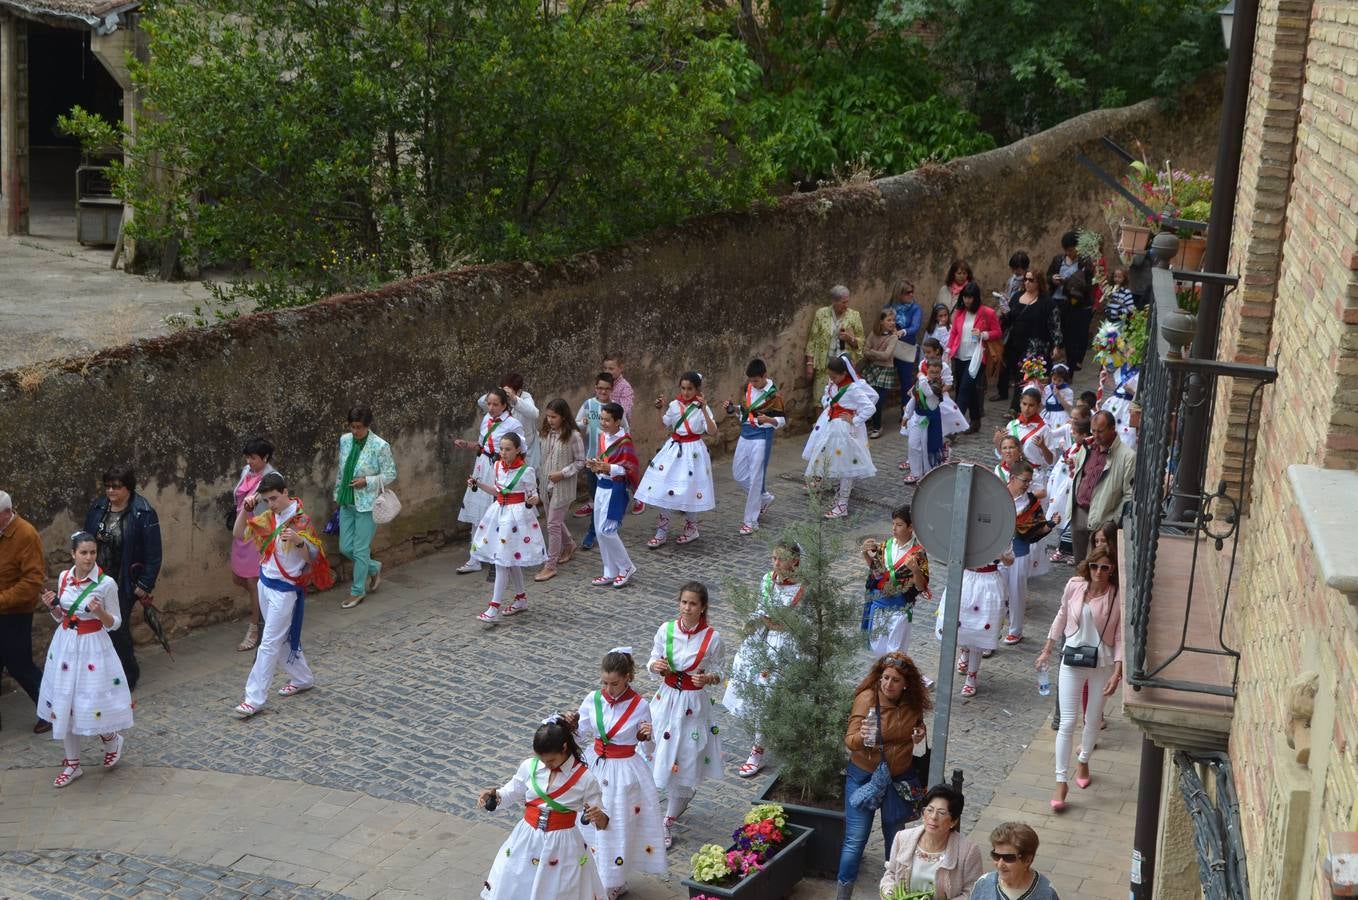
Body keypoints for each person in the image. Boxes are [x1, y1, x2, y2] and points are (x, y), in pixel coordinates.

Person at [561, 649, 665, 899]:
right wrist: (572, 724)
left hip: (624, 771)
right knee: (586, 820)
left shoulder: (640, 706)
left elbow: (649, 747)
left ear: (628, 677)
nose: (609, 689)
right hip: (595, 766)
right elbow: (581, 734)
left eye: (614, 684)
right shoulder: (593, 699)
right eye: (604, 683)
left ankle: (613, 880)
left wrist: (647, 735)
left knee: (616, 824)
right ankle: (587, 872)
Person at [230, 472, 333, 719]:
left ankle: (253, 698)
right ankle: (303, 678)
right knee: (283, 638)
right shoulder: (268, 518)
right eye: (267, 500)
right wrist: (246, 510)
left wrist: (298, 541)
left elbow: (314, 558)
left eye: (275, 498)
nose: (272, 504)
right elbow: (238, 533)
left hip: (286, 591)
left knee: (268, 643)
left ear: (286, 492)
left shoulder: (302, 521)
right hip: (266, 585)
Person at [37, 531, 135, 787]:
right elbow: (62, 616)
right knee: (65, 702)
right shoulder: (64, 577)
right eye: (83, 553)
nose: (89, 558)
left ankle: (111, 738)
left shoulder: (106, 584)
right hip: (66, 646)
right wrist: (52, 607)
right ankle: (72, 765)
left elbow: (116, 624)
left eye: (93, 552)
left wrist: (100, 611)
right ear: (73, 554)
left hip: (93, 647)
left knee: (91, 700)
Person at [477, 720, 609, 900]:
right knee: (517, 881)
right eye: (542, 760)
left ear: (564, 748)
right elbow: (510, 793)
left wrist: (598, 816)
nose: (547, 765)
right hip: (527, 839)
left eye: (551, 760)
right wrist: (494, 796)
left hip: (563, 845)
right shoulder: (529, 766)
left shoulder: (585, 779)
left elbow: (602, 822)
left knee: (558, 891)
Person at [837, 652, 933, 899]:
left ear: (906, 684)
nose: (888, 684)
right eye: (885, 678)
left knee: (897, 841)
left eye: (895, 680)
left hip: (898, 778)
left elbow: (917, 727)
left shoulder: (912, 703)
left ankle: (893, 894)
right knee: (855, 840)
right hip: (864, 776)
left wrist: (918, 735)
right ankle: (842, 895)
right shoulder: (867, 699)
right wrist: (864, 736)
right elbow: (850, 740)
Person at [1035, 546, 1123, 811]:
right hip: (1072, 657)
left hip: (1102, 661)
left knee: (1093, 717)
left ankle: (1084, 759)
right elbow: (1061, 614)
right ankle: (1061, 781)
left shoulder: (1116, 595)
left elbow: (1120, 636)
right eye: (1095, 566)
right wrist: (1048, 648)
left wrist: (1118, 672)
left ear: (1112, 570)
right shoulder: (1075, 585)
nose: (1098, 572)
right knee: (1067, 721)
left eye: (1104, 567)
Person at [647, 581, 726, 849]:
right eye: (683, 602)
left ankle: (667, 819)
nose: (687, 608)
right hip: (666, 699)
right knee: (658, 748)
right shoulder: (666, 630)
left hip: (693, 704)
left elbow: (721, 671)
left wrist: (708, 678)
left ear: (702, 607)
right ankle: (651, 808)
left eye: (692, 604)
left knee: (684, 755)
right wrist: (655, 665)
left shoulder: (712, 638)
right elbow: (652, 658)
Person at [722, 541, 803, 778]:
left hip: (786, 646)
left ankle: (775, 744)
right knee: (757, 693)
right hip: (762, 640)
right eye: (774, 558)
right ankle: (758, 746)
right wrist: (755, 620)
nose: (776, 564)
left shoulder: (802, 588)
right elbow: (761, 608)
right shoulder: (768, 579)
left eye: (782, 559)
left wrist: (775, 623)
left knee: (776, 694)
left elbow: (796, 622)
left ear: (795, 561)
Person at [83, 464, 161, 693]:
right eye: (107, 487)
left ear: (128, 488)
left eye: (116, 487)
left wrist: (144, 585)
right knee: (96, 626)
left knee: (117, 628)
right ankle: (103, 671)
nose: (110, 492)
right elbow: (85, 539)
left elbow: (153, 553)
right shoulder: (99, 508)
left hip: (124, 581)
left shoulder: (143, 512)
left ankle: (128, 673)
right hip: (97, 578)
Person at [469, 433, 546, 623]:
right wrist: (478, 484)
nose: (503, 453)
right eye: (501, 449)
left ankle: (494, 607)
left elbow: (534, 495)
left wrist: (533, 500)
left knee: (502, 561)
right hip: (499, 514)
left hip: (516, 518)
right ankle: (521, 599)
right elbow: (497, 491)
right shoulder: (497, 466)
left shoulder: (526, 471)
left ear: (518, 450)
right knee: (509, 559)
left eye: (508, 449)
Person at [638, 372, 718, 547]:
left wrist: (704, 409)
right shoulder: (674, 405)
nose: (686, 392)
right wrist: (660, 409)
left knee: (690, 489)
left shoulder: (702, 407)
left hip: (694, 451)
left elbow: (712, 431)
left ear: (697, 389)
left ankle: (691, 528)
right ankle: (662, 530)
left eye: (690, 389)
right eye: (683, 388)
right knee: (666, 487)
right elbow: (662, 425)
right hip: (674, 449)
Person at [332, 407, 397, 610]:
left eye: (359, 427)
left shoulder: (380, 446)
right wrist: (338, 495)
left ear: (368, 426)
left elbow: (390, 473)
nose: (355, 431)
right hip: (346, 501)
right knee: (345, 547)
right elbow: (342, 472)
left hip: (367, 504)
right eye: (352, 427)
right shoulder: (345, 440)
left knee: (360, 549)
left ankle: (357, 591)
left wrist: (367, 481)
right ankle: (373, 567)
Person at [454, 389, 525, 575]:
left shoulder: (513, 424)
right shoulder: (486, 419)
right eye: (489, 404)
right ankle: (475, 557)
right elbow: (482, 446)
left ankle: (501, 555)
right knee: (477, 511)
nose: (491, 408)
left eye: (495, 404)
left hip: (501, 468)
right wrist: (467, 445)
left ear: (504, 405)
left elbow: (520, 449)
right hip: (483, 466)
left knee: (500, 511)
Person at [0, 490, 52, 734]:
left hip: (15, 612)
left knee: (20, 665)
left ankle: (51, 712)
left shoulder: (25, 534)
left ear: (7, 513)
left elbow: (32, 581)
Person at [802, 355, 879, 520]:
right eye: (830, 376)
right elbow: (829, 400)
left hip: (844, 432)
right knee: (832, 464)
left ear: (844, 373)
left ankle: (842, 504)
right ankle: (838, 498)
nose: (832, 379)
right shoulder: (834, 385)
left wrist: (855, 420)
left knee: (846, 468)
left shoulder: (853, 388)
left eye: (834, 376)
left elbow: (870, 407)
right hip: (831, 429)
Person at [879, 784, 983, 899]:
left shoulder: (968, 852)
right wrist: (890, 894)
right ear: (923, 814)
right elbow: (891, 874)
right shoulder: (902, 838)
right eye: (929, 810)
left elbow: (974, 892)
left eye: (942, 813)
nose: (933, 817)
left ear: (953, 821)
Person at [936, 546, 1013, 697]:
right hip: (966, 579)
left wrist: (1001, 555)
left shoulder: (1002, 533)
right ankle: (965, 651)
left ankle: (972, 677)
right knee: (962, 625)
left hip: (988, 582)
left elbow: (1010, 561)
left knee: (979, 631)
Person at [724, 358, 786, 535]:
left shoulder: (774, 395)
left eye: (756, 380)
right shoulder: (749, 389)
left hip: (761, 437)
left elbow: (782, 420)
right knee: (738, 474)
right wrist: (731, 409)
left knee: (755, 479)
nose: (752, 384)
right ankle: (764, 498)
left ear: (764, 376)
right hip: (745, 435)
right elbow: (745, 413)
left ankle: (750, 521)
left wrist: (769, 420)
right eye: (750, 380)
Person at [861, 505, 930, 657]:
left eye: (899, 525)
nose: (894, 528)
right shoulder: (886, 546)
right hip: (879, 607)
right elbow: (877, 575)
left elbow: (920, 586)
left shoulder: (918, 553)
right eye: (893, 523)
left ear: (911, 527)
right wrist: (866, 555)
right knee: (877, 651)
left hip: (900, 611)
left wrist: (915, 570)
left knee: (895, 654)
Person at [1067, 411, 1135, 564]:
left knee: (1096, 565)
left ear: (1112, 429)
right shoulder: (1087, 446)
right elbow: (1081, 474)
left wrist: (1111, 522)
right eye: (1093, 430)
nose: (1096, 435)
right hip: (1079, 513)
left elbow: (1129, 495)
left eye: (1100, 431)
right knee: (1080, 565)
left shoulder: (1127, 456)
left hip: (1102, 520)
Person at [1000, 461, 1056, 646]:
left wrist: (1050, 525)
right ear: (1012, 478)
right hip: (996, 553)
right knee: (996, 594)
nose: (1027, 485)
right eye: (1024, 481)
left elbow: (1037, 529)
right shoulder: (997, 495)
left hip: (1019, 552)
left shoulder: (1031, 502)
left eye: (1029, 481)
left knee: (1017, 592)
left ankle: (1015, 631)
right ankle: (991, 632)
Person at [583, 402, 639, 588]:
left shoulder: (625, 441)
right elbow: (603, 460)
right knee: (600, 531)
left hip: (615, 489)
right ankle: (610, 570)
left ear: (618, 421)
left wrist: (611, 468)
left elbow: (630, 468)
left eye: (607, 420)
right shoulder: (602, 437)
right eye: (602, 419)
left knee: (608, 530)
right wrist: (595, 465)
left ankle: (626, 567)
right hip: (601, 486)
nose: (603, 423)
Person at [231, 439, 278, 650]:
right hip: (242, 530)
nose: (250, 462)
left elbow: (272, 506)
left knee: (253, 582)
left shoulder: (272, 478)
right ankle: (266, 611)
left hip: (257, 533)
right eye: (248, 457)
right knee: (238, 577)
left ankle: (255, 627)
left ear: (265, 458)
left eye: (254, 458)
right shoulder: (246, 472)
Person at [536, 399, 585, 582]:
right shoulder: (546, 433)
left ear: (563, 416)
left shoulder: (573, 435)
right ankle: (570, 544)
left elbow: (581, 462)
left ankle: (550, 565)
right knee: (553, 521)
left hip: (562, 487)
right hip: (546, 485)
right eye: (548, 416)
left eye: (553, 417)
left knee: (552, 525)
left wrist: (563, 474)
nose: (549, 420)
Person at [1002, 269, 1063, 412]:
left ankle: (1016, 408)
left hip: (1035, 347)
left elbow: (1055, 325)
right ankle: (1022, 406)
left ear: (1039, 283)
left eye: (1031, 280)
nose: (1027, 283)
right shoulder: (1017, 296)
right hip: (1015, 344)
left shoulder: (1047, 302)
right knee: (1017, 376)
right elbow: (1009, 319)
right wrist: (1005, 313)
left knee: (1026, 376)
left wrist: (1057, 345)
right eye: (1026, 279)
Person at [948, 283, 1001, 433]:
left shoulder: (987, 313)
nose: (967, 300)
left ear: (976, 298)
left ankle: (954, 428)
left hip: (977, 357)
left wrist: (983, 334)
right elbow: (954, 333)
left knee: (964, 390)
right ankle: (976, 420)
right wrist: (948, 348)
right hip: (959, 356)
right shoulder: (959, 312)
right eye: (965, 297)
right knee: (966, 388)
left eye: (970, 297)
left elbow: (997, 332)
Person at [573, 371, 618, 546]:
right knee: (594, 496)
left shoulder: (615, 407)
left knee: (606, 496)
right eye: (600, 388)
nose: (603, 392)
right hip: (592, 460)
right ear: (595, 388)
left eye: (606, 389)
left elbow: (625, 431)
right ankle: (594, 531)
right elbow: (576, 424)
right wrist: (581, 423)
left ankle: (603, 529)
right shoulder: (588, 404)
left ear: (611, 389)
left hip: (609, 462)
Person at [1046, 231, 1096, 371]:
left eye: (1071, 249)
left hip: (1073, 304)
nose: (1069, 253)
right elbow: (1048, 275)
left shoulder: (1085, 263)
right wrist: (1052, 279)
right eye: (1066, 250)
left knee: (1071, 336)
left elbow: (1087, 286)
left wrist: (1068, 283)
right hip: (1056, 301)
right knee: (1054, 333)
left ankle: (1070, 366)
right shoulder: (1058, 260)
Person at [973, 822, 1060, 899]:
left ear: (1027, 860)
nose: (1000, 865)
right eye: (996, 856)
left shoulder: (1047, 893)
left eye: (1008, 858)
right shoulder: (984, 884)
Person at [993, 387, 1056, 495]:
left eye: (1031, 405)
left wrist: (1043, 447)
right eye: (1024, 404)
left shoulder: (1044, 430)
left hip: (1033, 478)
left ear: (1038, 406)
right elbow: (1002, 453)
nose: (1027, 409)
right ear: (1020, 403)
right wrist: (997, 440)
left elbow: (1051, 461)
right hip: (1011, 475)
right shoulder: (1012, 425)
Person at [804, 284, 865, 395]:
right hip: (824, 366)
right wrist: (809, 364)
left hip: (843, 370)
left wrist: (849, 339)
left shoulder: (854, 316)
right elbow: (812, 340)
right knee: (820, 399)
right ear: (834, 301)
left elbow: (861, 342)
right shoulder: (821, 314)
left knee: (843, 400)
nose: (846, 306)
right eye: (843, 302)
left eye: (847, 302)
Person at [480, 374, 540, 470]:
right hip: (505, 451)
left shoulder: (526, 398)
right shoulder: (499, 399)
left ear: (519, 391)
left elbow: (535, 413)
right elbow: (481, 402)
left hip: (526, 448)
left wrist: (514, 399)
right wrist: (498, 392)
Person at [860, 310, 900, 438]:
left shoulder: (893, 337)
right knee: (867, 397)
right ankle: (869, 423)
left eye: (893, 320)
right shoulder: (873, 334)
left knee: (878, 399)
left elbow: (887, 356)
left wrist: (872, 353)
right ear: (881, 321)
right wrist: (874, 353)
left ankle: (877, 427)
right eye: (889, 320)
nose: (892, 323)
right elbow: (864, 350)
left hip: (885, 370)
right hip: (872, 369)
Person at [887, 281, 924, 409]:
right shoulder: (889, 307)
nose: (911, 294)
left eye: (912, 291)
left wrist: (903, 331)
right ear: (899, 293)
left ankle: (906, 413)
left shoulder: (915, 309)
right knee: (884, 382)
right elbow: (882, 322)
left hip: (906, 349)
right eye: (908, 292)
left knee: (906, 382)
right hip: (889, 349)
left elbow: (915, 326)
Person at [1099, 362, 1141, 451]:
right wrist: (1106, 379)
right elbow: (1117, 387)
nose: (1128, 353)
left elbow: (1142, 396)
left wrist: (1132, 391)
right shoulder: (1122, 368)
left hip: (1128, 406)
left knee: (1126, 433)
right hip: (1115, 404)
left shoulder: (1141, 371)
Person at [1043, 363, 1076, 432]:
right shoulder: (1047, 388)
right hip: (1047, 415)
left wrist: (1059, 396)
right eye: (1054, 379)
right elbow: (1043, 403)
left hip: (1060, 416)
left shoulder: (1068, 391)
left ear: (1064, 380)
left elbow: (1069, 408)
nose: (1056, 382)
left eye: (1059, 380)